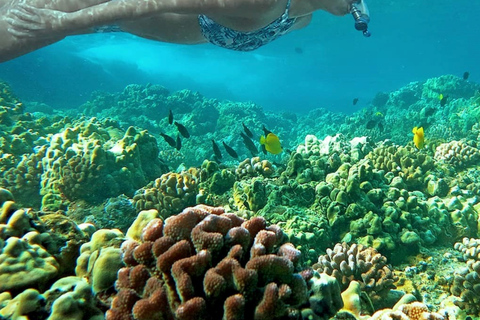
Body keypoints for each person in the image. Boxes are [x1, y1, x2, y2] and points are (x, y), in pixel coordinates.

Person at [0, 0, 357, 62]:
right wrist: (62, 23)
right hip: (112, 7)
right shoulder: (263, 3)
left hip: (115, 23)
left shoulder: (303, 18)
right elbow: (156, 3)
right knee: (17, 31)